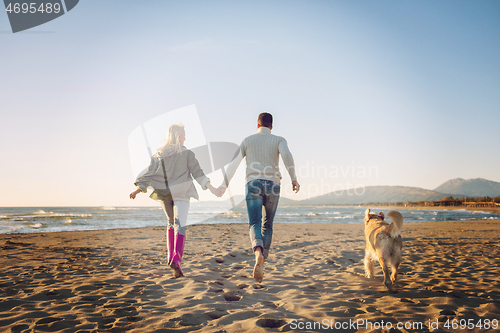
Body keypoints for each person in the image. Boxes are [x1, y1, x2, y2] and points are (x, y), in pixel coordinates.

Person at [216, 113, 300, 283]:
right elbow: (287, 156)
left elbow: (234, 163)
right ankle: (264, 258)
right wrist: (294, 178)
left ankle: (258, 253)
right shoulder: (278, 139)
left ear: (257, 125)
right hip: (273, 184)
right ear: (271, 126)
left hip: (253, 183)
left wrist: (224, 184)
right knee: (267, 223)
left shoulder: (247, 140)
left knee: (254, 222)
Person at [130, 123, 219, 278]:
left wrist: (139, 189)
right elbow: (198, 172)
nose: (186, 137)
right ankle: (176, 259)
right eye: (184, 134)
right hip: (181, 193)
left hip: (164, 193)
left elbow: (150, 174)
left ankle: (170, 257)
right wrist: (210, 187)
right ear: (179, 136)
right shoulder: (187, 154)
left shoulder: (159, 155)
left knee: (171, 222)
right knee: (181, 225)